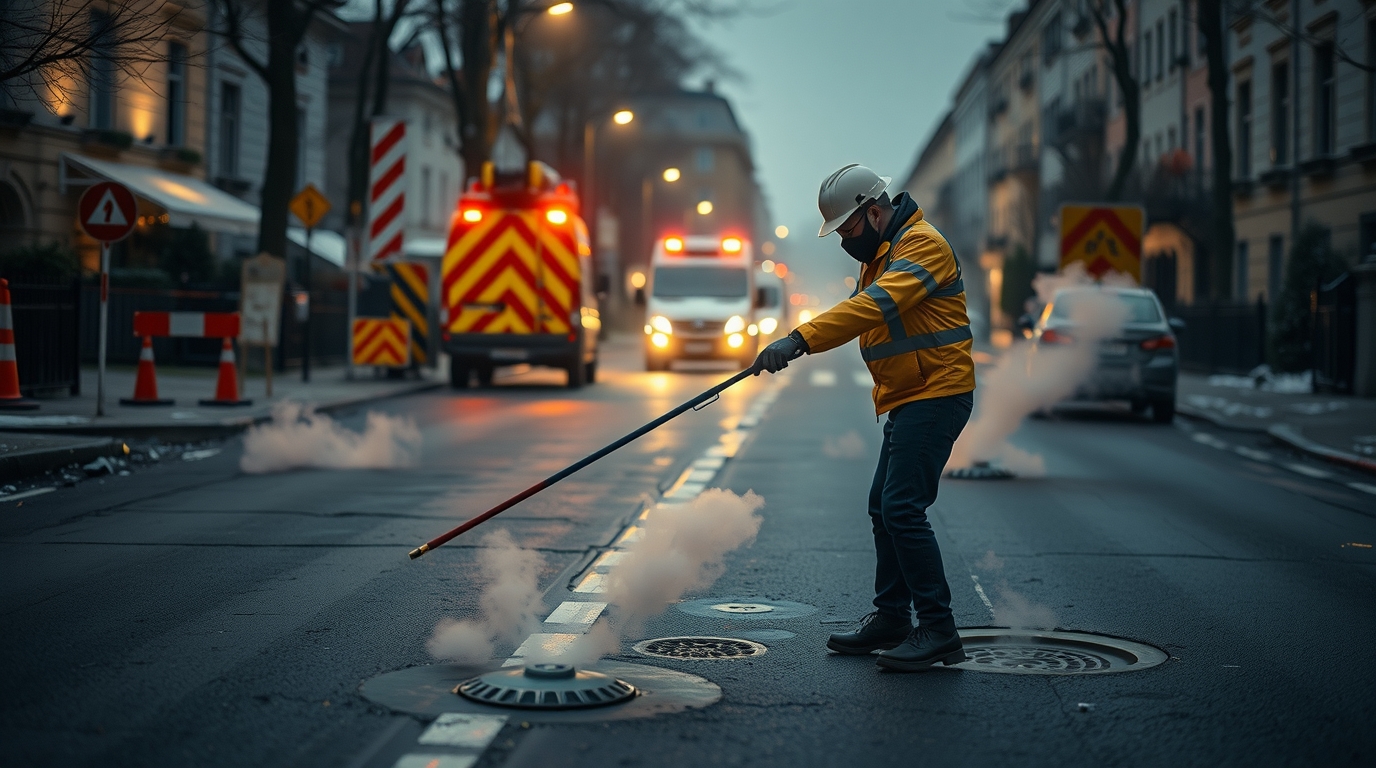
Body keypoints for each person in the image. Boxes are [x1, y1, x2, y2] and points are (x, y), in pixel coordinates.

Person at [754, 164, 976, 672]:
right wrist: (800, 339)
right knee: (883, 505)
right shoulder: (883, 252)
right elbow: (861, 305)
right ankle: (893, 617)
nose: (843, 243)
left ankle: (939, 629)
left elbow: (871, 308)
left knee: (902, 507)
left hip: (937, 392)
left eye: (847, 231)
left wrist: (798, 339)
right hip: (910, 394)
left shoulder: (922, 247)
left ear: (874, 211)